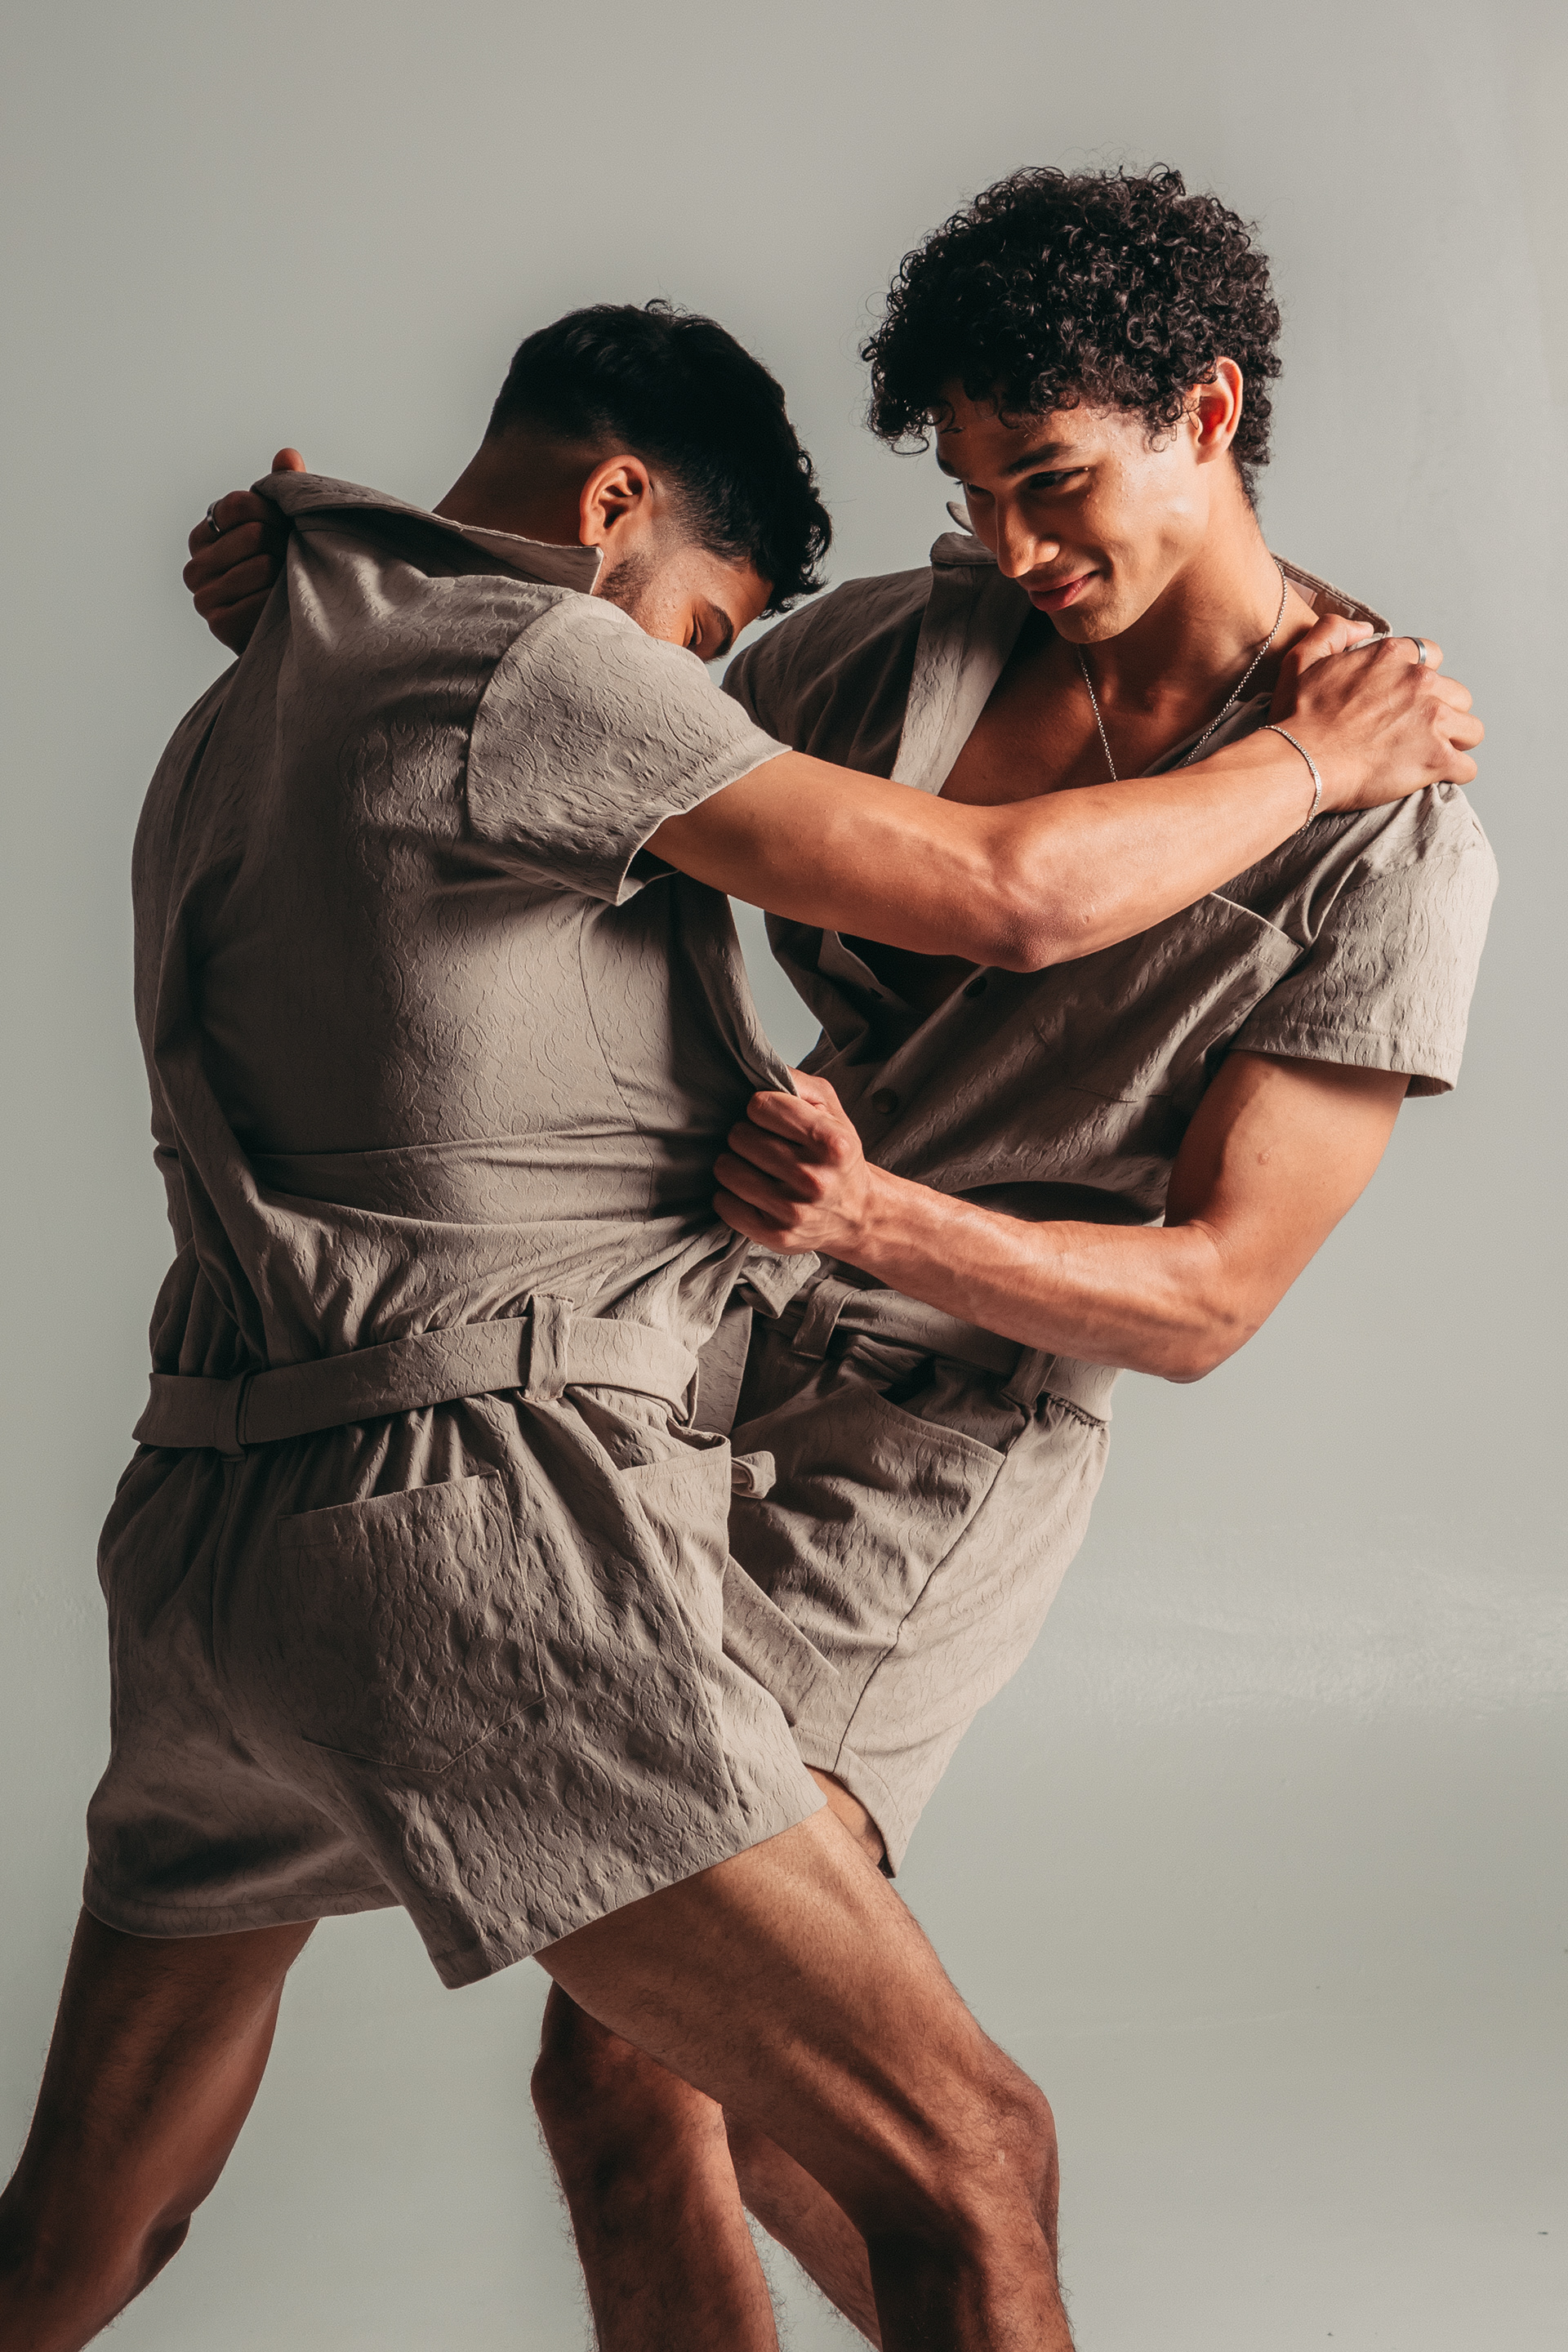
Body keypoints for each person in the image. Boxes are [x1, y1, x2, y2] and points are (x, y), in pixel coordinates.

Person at [151, 216, 1481, 2350]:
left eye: (1055, 482)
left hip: (927, 1450)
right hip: (665, 1371)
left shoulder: (1389, 830)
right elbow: (566, 712)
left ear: (1211, 412)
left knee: (682, 2065)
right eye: (975, 489)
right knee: (627, 2084)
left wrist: (882, 1225)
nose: (1016, 545)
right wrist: (326, 608)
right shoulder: (894, 654)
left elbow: (1214, 1297)